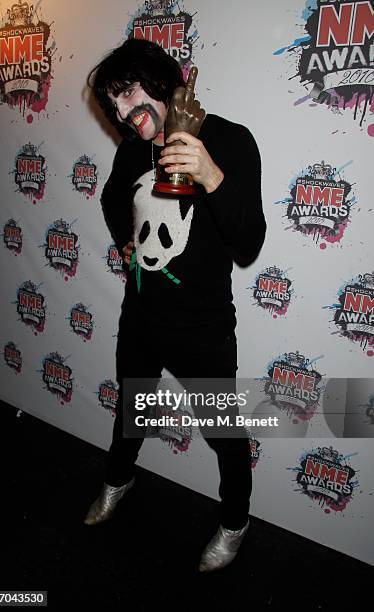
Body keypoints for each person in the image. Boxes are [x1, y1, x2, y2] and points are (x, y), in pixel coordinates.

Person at [85, 38, 266, 572]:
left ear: (161, 80)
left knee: (225, 435)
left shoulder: (230, 140)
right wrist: (125, 243)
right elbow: (113, 199)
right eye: (113, 105)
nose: (122, 112)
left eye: (128, 93)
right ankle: (119, 480)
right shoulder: (131, 151)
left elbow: (249, 242)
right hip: (141, 316)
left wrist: (211, 175)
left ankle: (236, 520)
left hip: (204, 328)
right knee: (130, 413)